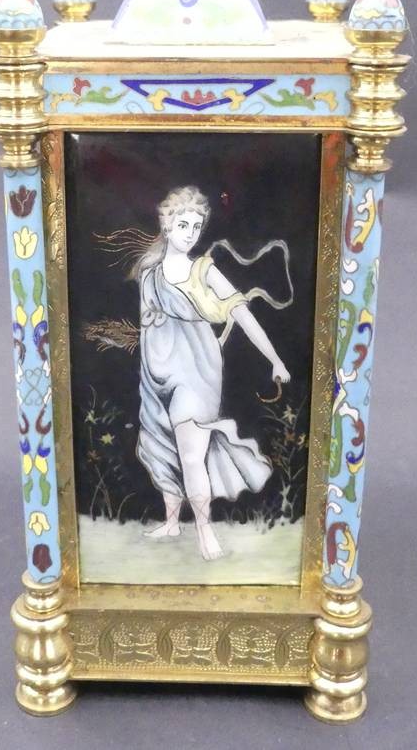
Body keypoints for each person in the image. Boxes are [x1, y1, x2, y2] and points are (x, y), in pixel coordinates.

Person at [132, 185, 291, 561]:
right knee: (161, 444)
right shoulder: (149, 275)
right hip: (157, 372)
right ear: (166, 225)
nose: (190, 233)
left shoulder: (204, 270)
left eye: (196, 226)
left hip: (197, 370)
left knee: (191, 454)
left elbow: (243, 315)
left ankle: (205, 532)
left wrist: (275, 359)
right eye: (182, 225)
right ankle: (172, 522)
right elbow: (147, 326)